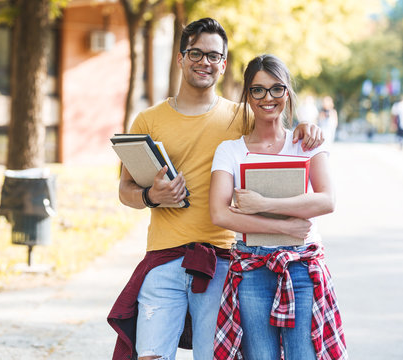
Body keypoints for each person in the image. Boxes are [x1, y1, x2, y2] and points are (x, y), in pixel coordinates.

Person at [107, 18, 324, 360]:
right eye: (195, 52)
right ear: (180, 58)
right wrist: (152, 196)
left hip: (221, 261)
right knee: (150, 355)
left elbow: (277, 130)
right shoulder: (147, 120)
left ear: (223, 65)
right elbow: (125, 192)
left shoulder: (242, 117)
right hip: (163, 258)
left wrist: (307, 127)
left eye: (213, 55)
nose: (204, 61)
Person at [210, 54, 347, 360]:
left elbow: (327, 200)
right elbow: (219, 213)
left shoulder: (306, 143)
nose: (267, 97)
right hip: (251, 267)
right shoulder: (230, 151)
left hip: (300, 266)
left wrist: (263, 204)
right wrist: (283, 225)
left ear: (287, 92)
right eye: (258, 90)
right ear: (247, 95)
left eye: (276, 88)